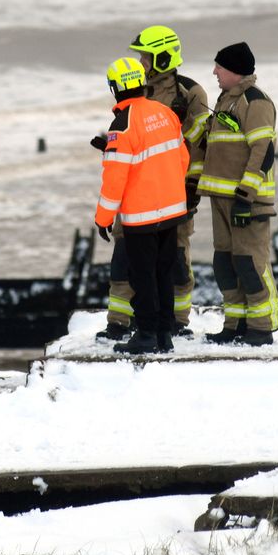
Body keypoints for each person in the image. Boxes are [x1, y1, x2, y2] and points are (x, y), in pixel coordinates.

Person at [94, 26, 211, 342]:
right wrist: (108, 146)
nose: (141, 62)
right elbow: (133, 142)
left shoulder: (190, 94)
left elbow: (199, 146)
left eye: (146, 56)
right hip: (136, 196)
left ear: (162, 56)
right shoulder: (137, 88)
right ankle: (119, 321)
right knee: (125, 258)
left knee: (173, 263)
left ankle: (175, 320)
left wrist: (192, 189)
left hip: (176, 196)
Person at [196, 42, 278, 345]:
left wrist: (246, 196)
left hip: (247, 202)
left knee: (249, 264)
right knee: (224, 264)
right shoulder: (224, 101)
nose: (214, 72)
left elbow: (263, 151)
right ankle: (235, 324)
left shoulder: (255, 102)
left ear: (234, 70)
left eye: (219, 66)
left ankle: (261, 327)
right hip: (220, 199)